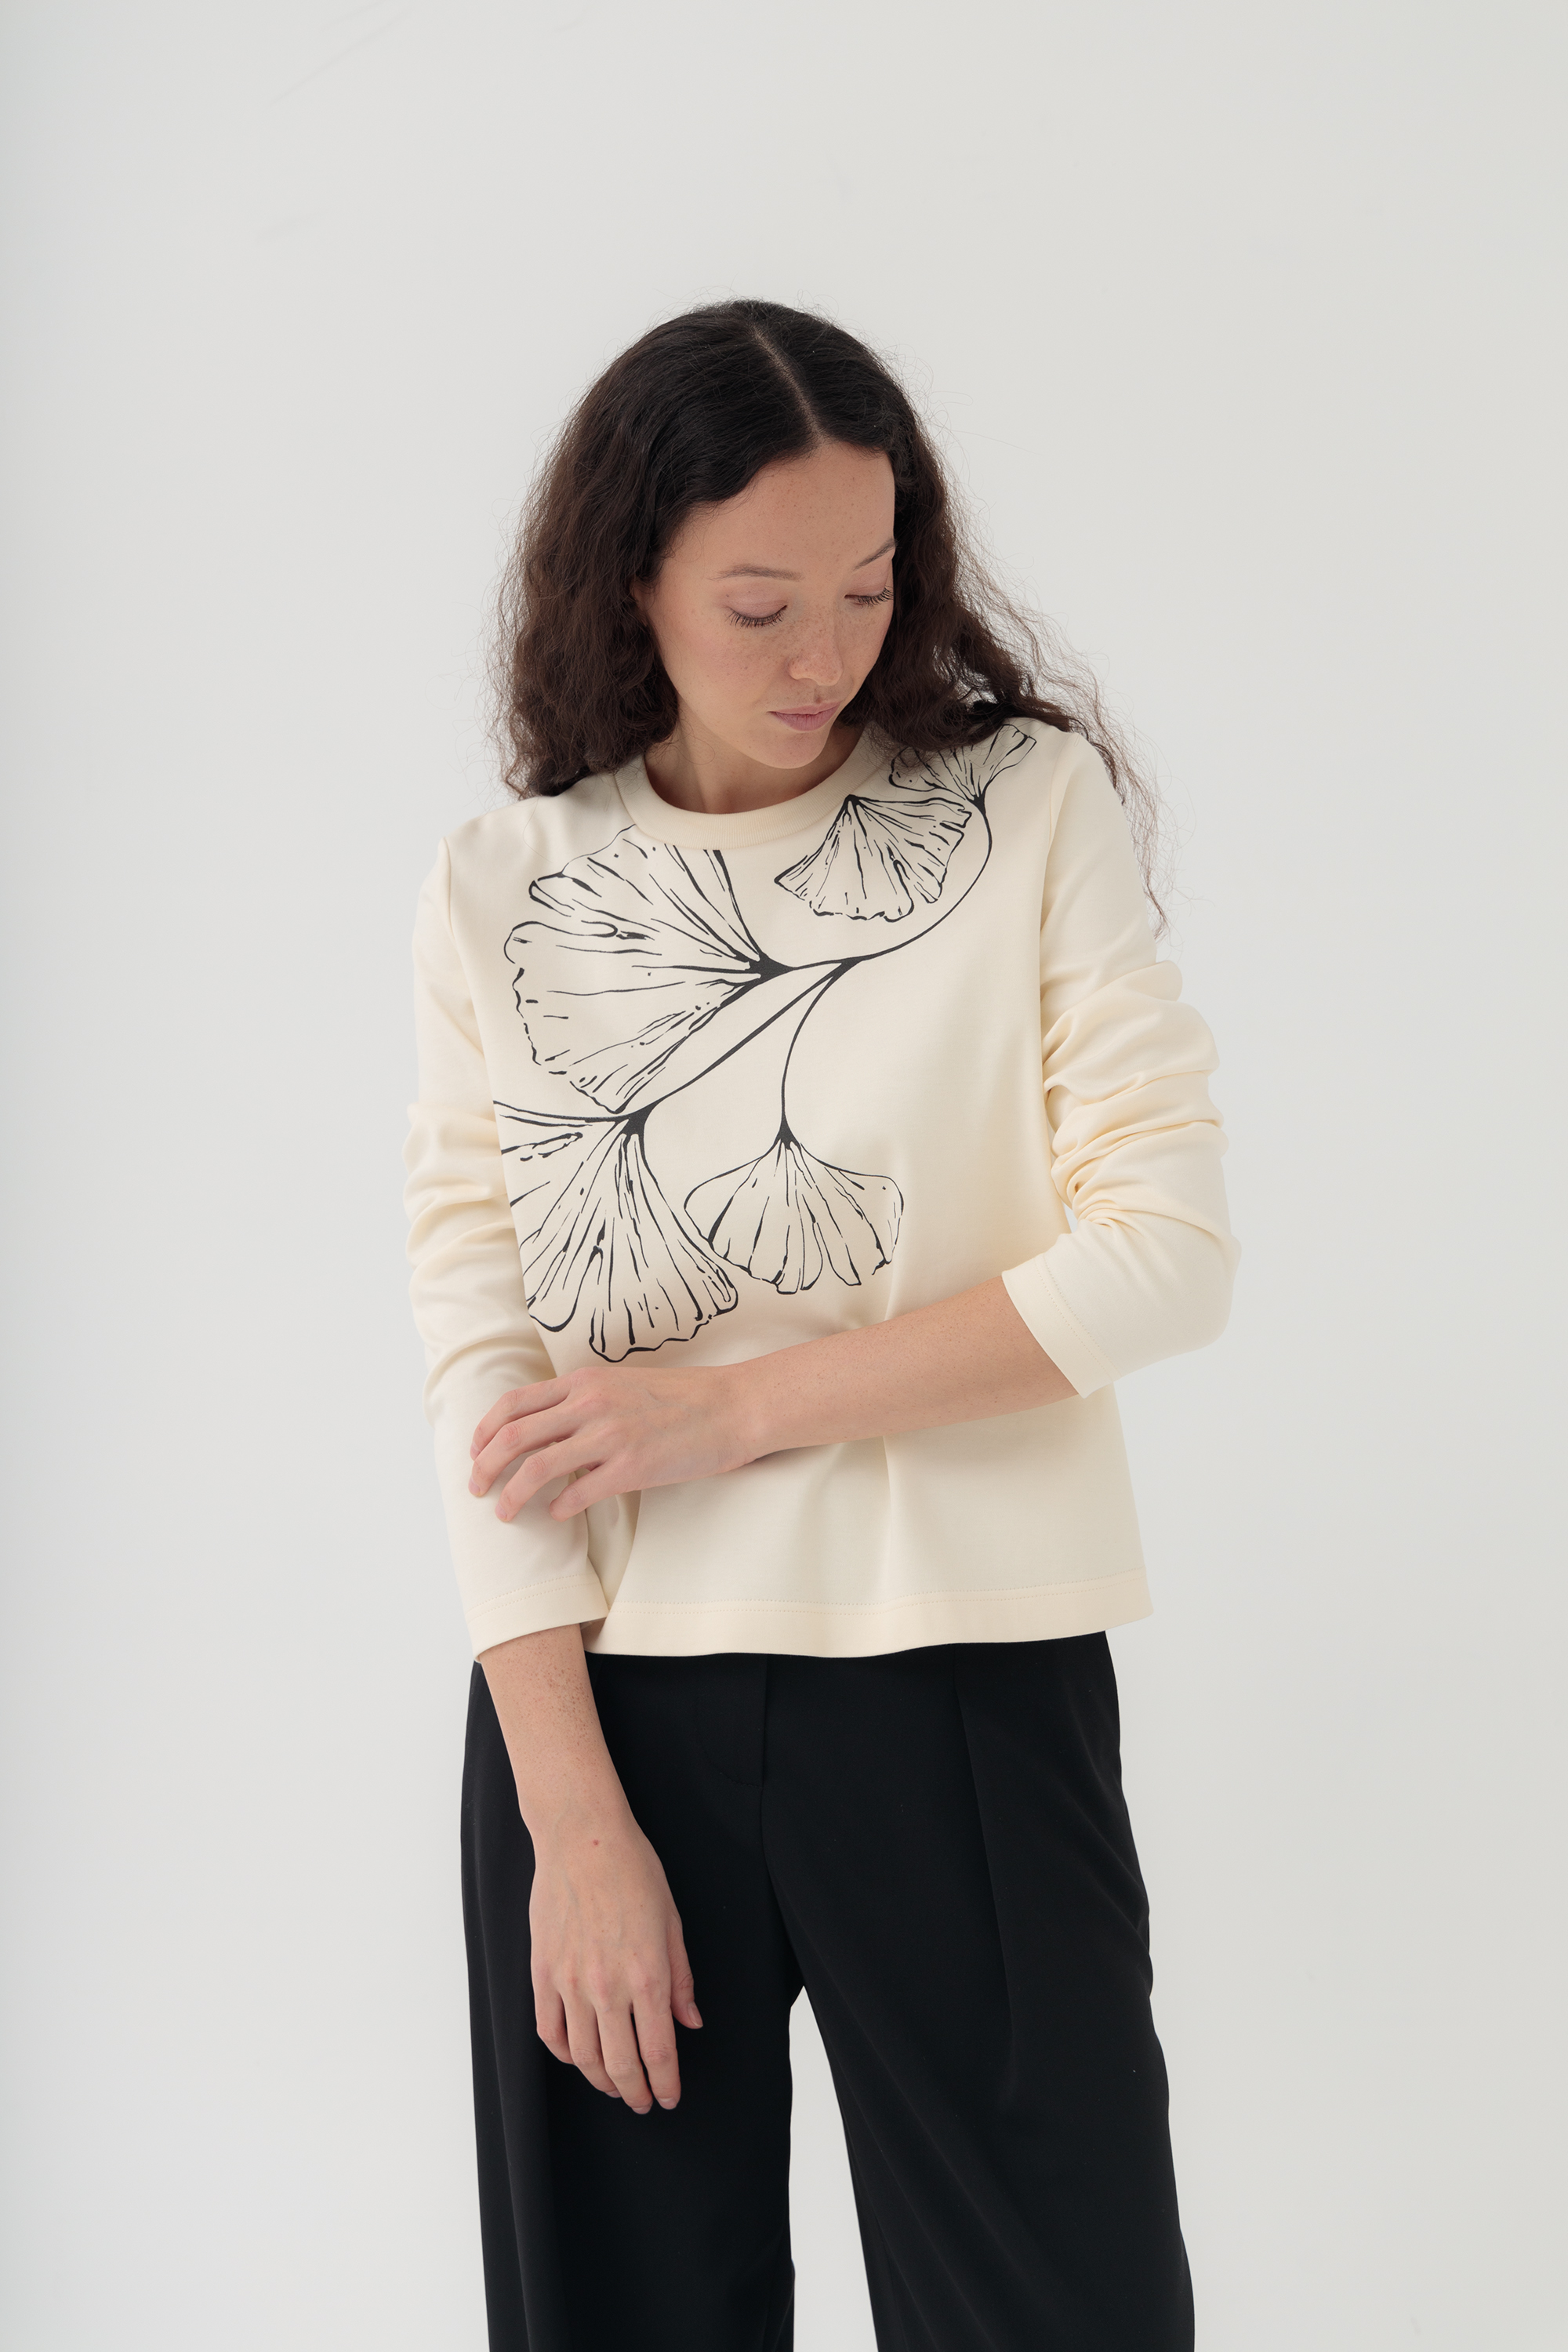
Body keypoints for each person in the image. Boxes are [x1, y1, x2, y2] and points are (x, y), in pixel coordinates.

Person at [403, 298, 1238, 2352]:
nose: (827, 654)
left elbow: (1166, 1252)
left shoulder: (1022, 811)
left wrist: (733, 1415)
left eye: (868, 588)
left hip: (967, 1682)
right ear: (633, 582)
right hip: (608, 1719)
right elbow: (478, 1357)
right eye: (759, 604)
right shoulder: (507, 884)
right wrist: (570, 1821)